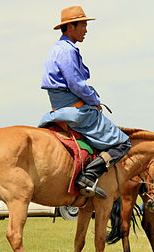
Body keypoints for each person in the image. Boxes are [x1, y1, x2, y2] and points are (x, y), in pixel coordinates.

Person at [38, 5, 131, 199]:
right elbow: (76, 84)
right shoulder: (67, 51)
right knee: (123, 143)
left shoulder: (59, 48)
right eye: (83, 25)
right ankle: (88, 177)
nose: (86, 30)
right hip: (74, 110)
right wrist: (95, 100)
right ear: (70, 27)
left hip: (60, 107)